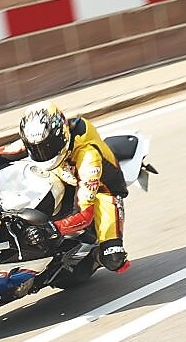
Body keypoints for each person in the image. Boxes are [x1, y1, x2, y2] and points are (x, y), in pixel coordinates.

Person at [7, 101, 131, 274]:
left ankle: (93, 256)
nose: (43, 152)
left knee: (114, 258)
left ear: (61, 136)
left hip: (101, 191)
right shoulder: (39, 138)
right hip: (63, 177)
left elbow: (85, 214)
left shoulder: (88, 156)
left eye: (48, 147)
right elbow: (1, 155)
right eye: (37, 148)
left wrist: (51, 229)